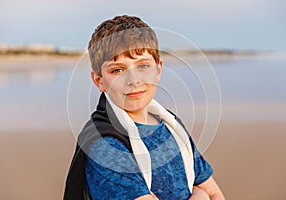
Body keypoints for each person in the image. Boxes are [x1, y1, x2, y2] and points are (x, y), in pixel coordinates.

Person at [64, 15, 225, 200]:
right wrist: (200, 196)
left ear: (158, 70)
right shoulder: (105, 143)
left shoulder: (171, 126)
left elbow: (214, 193)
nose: (134, 80)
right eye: (117, 70)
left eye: (143, 66)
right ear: (99, 81)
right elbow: (207, 194)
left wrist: (206, 194)